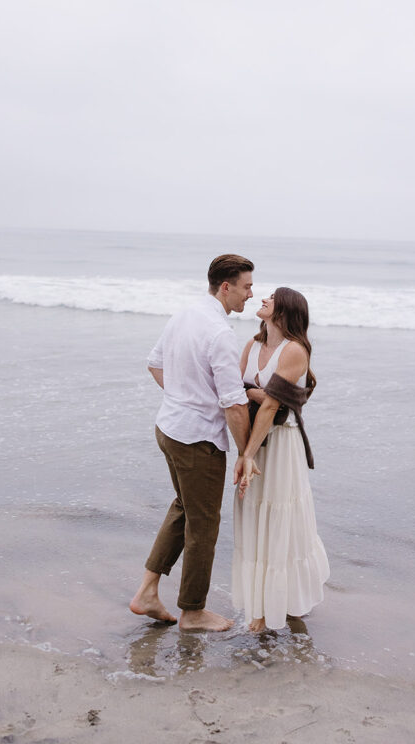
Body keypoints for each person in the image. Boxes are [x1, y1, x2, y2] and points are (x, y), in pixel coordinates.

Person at [130, 254, 254, 632]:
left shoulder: (185, 313)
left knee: (184, 508)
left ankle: (147, 593)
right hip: (197, 440)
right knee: (203, 524)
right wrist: (246, 453)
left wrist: (182, 397)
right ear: (226, 286)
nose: (251, 295)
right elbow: (234, 405)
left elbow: (154, 363)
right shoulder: (220, 334)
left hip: (168, 428)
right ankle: (193, 611)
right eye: (247, 287)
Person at [232, 287, 329, 632]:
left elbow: (272, 405)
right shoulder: (251, 346)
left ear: (285, 310)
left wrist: (247, 454)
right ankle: (260, 605)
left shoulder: (294, 351)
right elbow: (235, 394)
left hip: (279, 448)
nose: (261, 299)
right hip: (254, 443)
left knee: (279, 519)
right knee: (253, 518)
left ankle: (279, 605)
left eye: (271, 298)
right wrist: (246, 450)